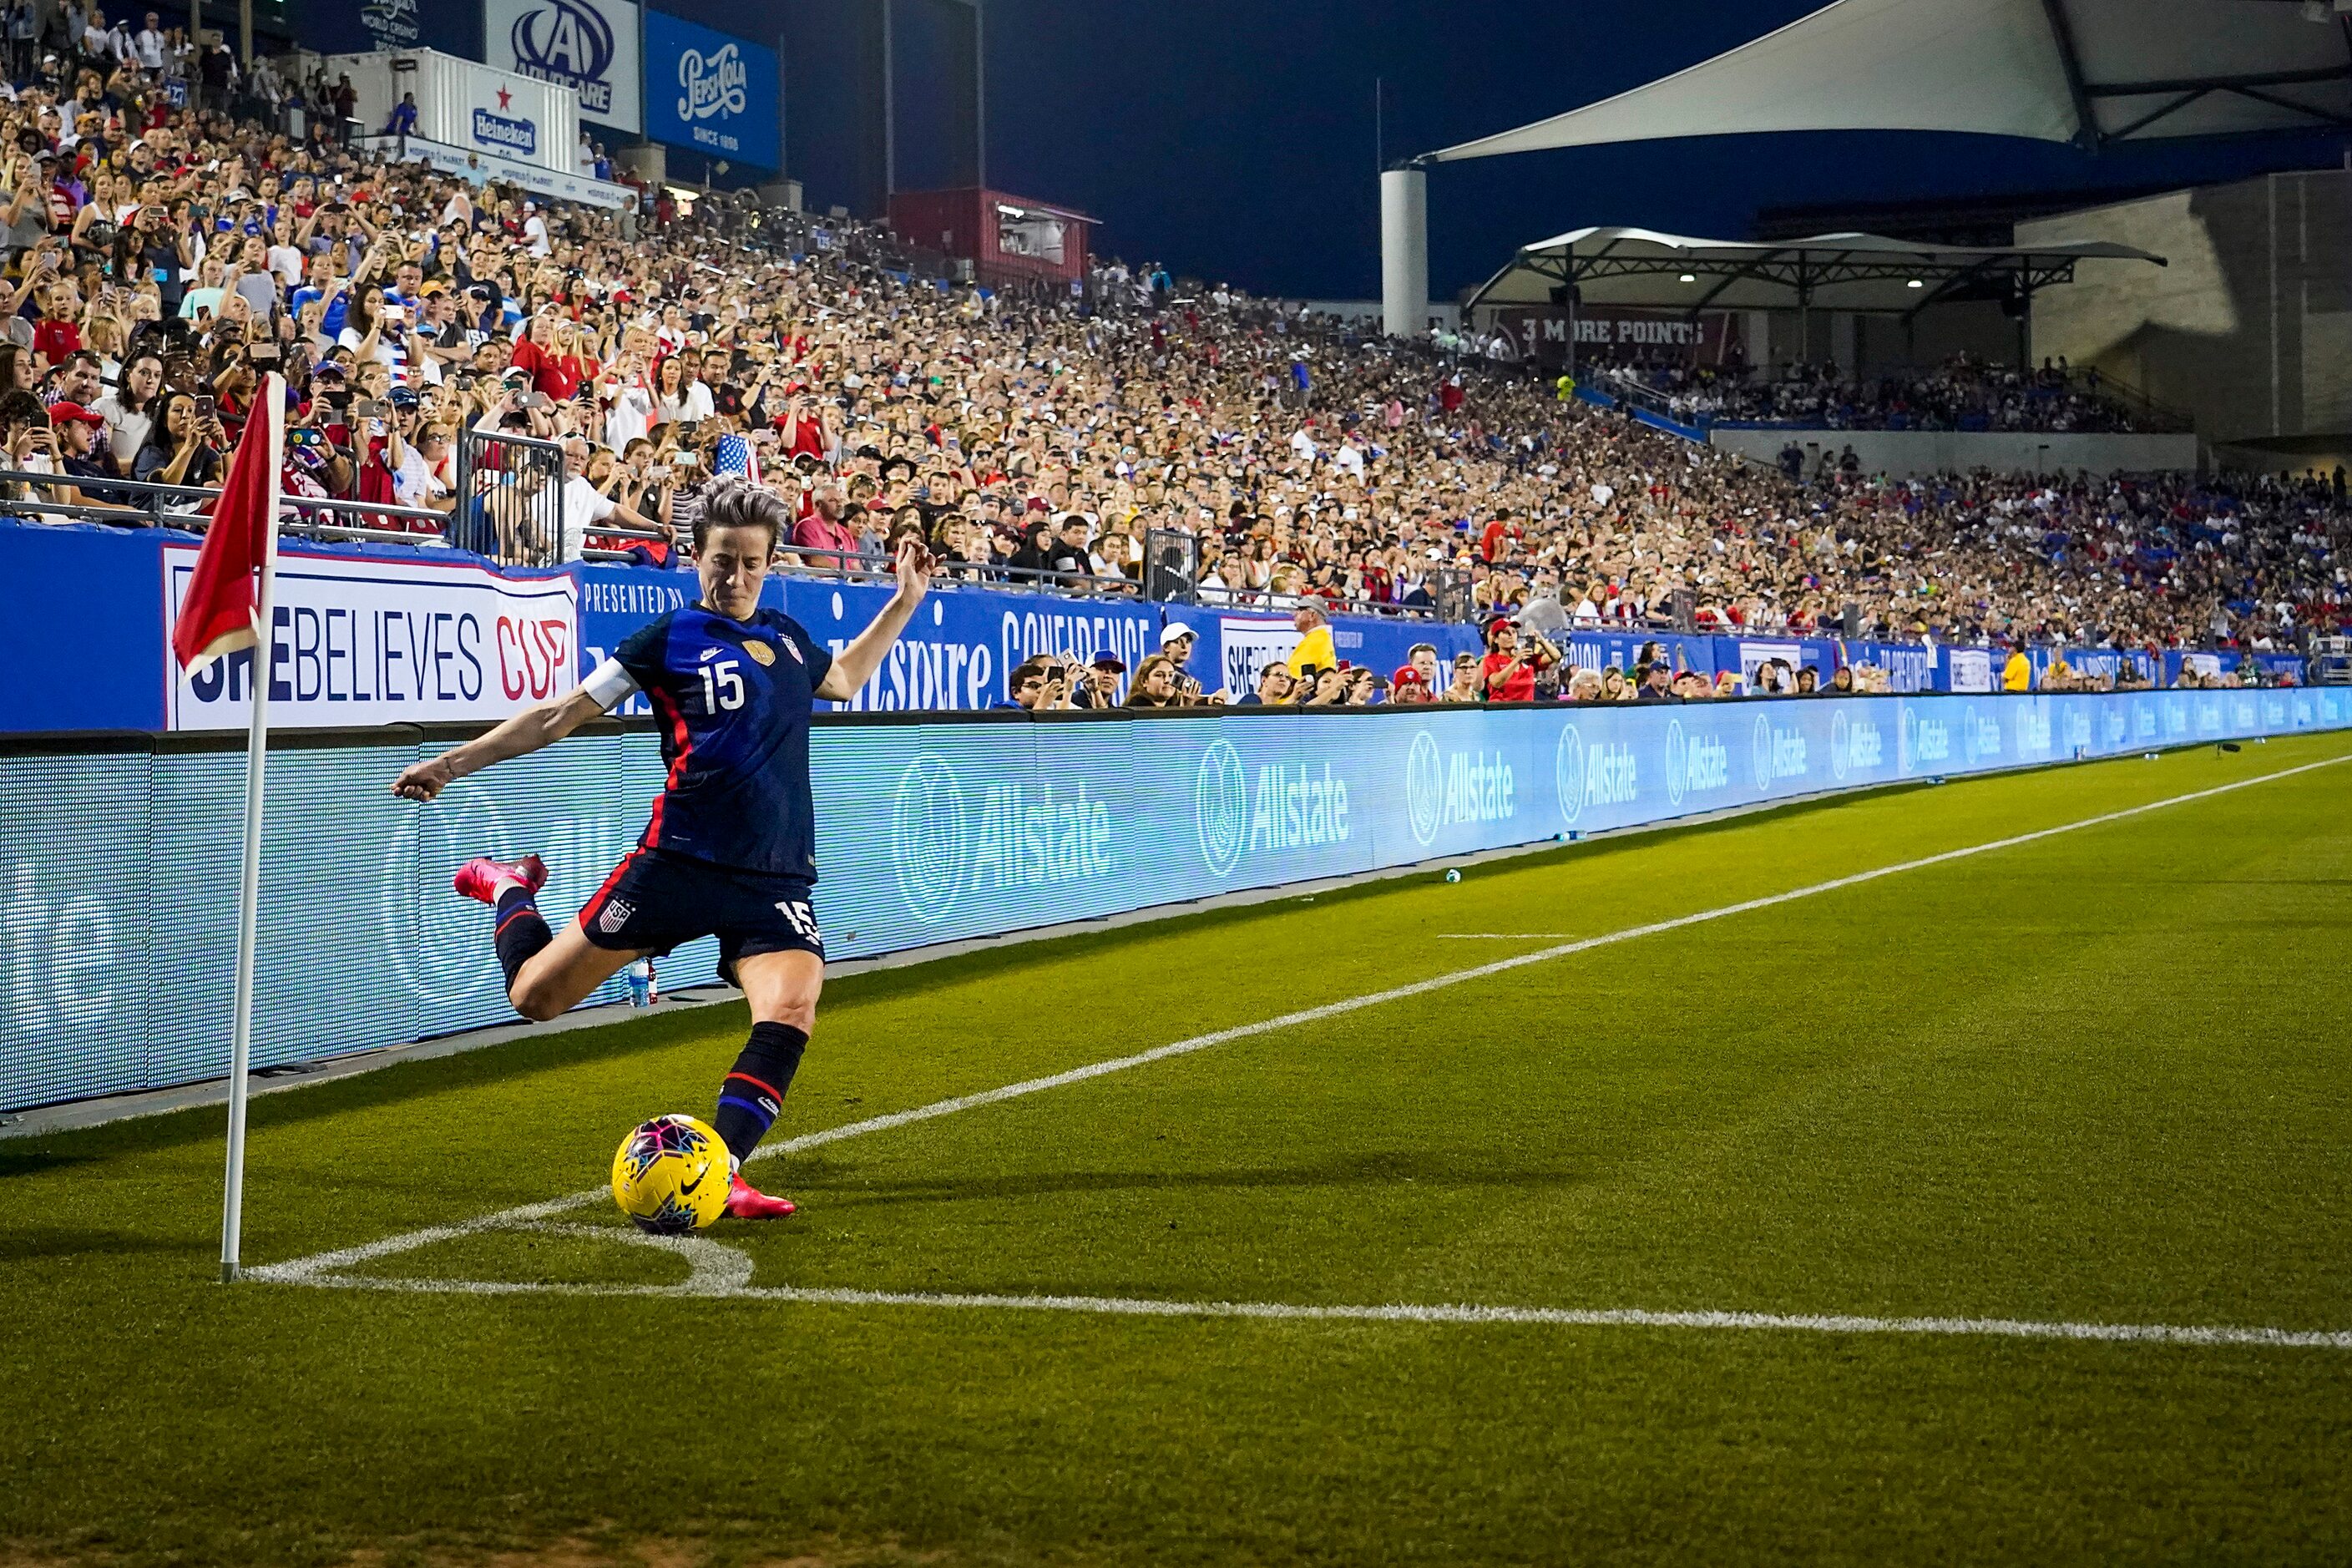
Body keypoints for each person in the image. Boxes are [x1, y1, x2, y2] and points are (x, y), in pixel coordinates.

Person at [390, 482, 940, 1222]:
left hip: (772, 872)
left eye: (749, 563)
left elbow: (841, 679)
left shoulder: (784, 638)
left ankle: (726, 1169)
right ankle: (509, 888)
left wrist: (903, 602)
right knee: (535, 999)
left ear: (770, 563)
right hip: (676, 863)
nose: (734, 576)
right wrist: (449, 765)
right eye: (721, 561)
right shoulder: (666, 638)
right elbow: (558, 715)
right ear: (695, 559)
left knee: (792, 1007)